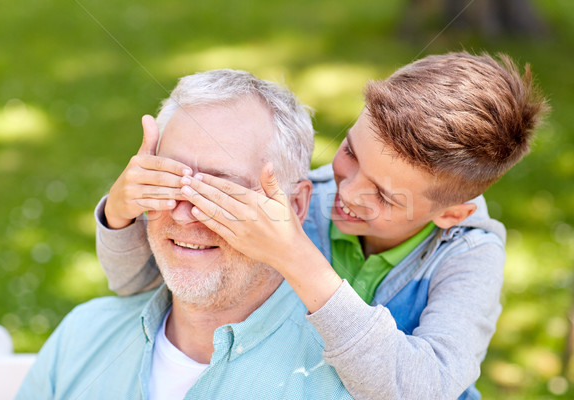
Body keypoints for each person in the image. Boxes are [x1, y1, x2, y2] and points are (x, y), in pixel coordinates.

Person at [94, 52, 548, 400]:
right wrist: (120, 210)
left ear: (450, 214)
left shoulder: (468, 256)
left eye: (384, 195)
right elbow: (137, 282)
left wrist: (295, 257)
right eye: (350, 152)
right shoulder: (297, 200)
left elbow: (424, 386)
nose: (346, 193)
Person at [17, 70, 354, 399]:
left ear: (294, 206)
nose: (182, 212)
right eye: (165, 180)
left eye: (218, 191)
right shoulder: (82, 335)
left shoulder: (340, 383)